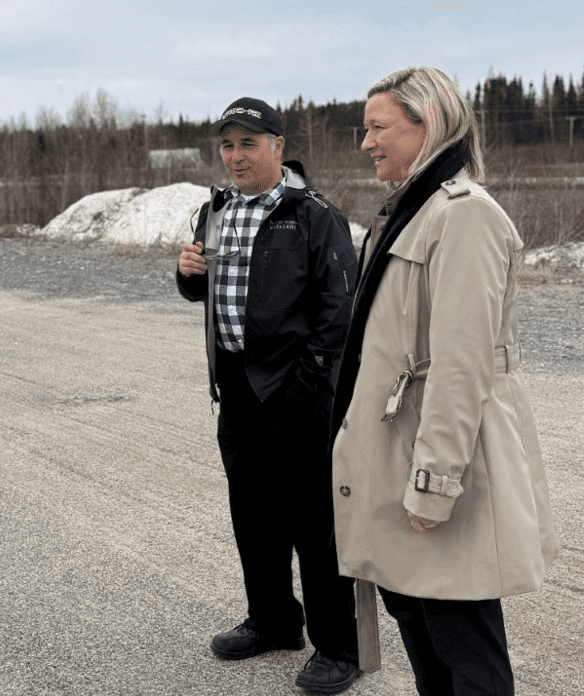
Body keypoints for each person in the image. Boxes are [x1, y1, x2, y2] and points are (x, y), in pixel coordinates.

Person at [330, 67, 558, 696]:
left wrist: (434, 485)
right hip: (397, 458)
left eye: (378, 127)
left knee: (465, 651)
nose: (365, 142)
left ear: (426, 124)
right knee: (425, 640)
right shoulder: (410, 210)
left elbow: (463, 366)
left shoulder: (464, 217)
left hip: (436, 468)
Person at [177, 97, 363, 695]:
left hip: (298, 392)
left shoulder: (312, 214)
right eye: (227, 145)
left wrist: (307, 387)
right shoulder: (215, 210)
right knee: (252, 513)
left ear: (277, 147)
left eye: (248, 144)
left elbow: (338, 315)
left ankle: (341, 647)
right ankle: (275, 621)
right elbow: (202, 293)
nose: (235, 156)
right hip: (236, 387)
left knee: (315, 523)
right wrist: (187, 275)